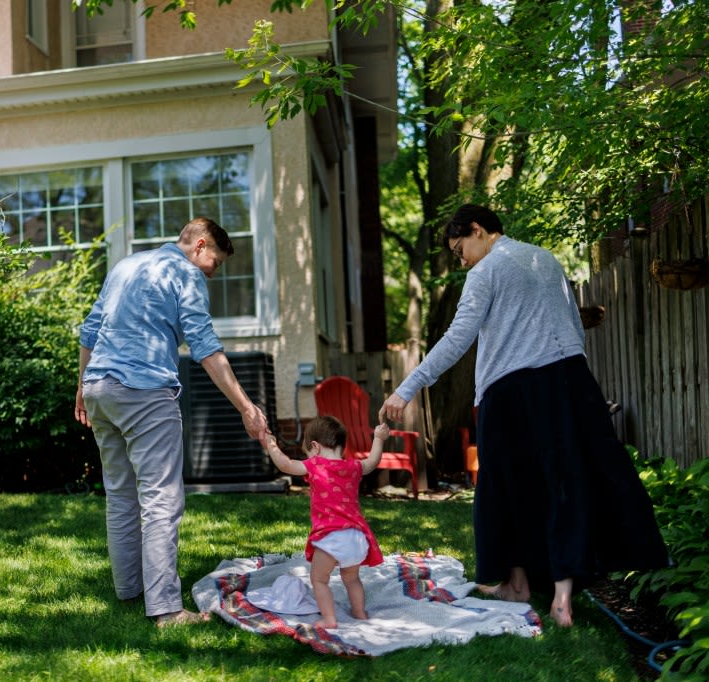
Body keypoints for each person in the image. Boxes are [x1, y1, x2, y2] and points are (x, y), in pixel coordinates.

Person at [379, 204, 668, 627]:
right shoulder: (543, 258)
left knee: (505, 488)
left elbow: (459, 336)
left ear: (478, 230)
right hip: (571, 382)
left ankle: (516, 583)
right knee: (566, 484)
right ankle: (561, 597)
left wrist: (407, 388)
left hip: (512, 392)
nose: (461, 261)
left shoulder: (487, 271)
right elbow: (571, 320)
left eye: (460, 249)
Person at [75, 216, 269, 627]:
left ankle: (129, 592)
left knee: (121, 495)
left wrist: (82, 386)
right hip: (144, 391)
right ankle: (165, 608)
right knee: (161, 500)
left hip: (99, 389)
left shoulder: (126, 265)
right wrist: (246, 407)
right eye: (214, 262)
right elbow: (205, 347)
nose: (212, 273)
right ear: (200, 245)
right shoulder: (185, 274)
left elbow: (90, 330)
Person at [261, 415, 386, 629]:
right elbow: (373, 462)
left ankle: (329, 619)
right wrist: (379, 438)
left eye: (308, 453)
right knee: (352, 578)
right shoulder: (354, 467)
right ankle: (360, 612)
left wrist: (270, 443)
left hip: (332, 536)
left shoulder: (315, 465)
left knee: (319, 579)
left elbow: (285, 465)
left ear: (315, 447)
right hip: (358, 537)